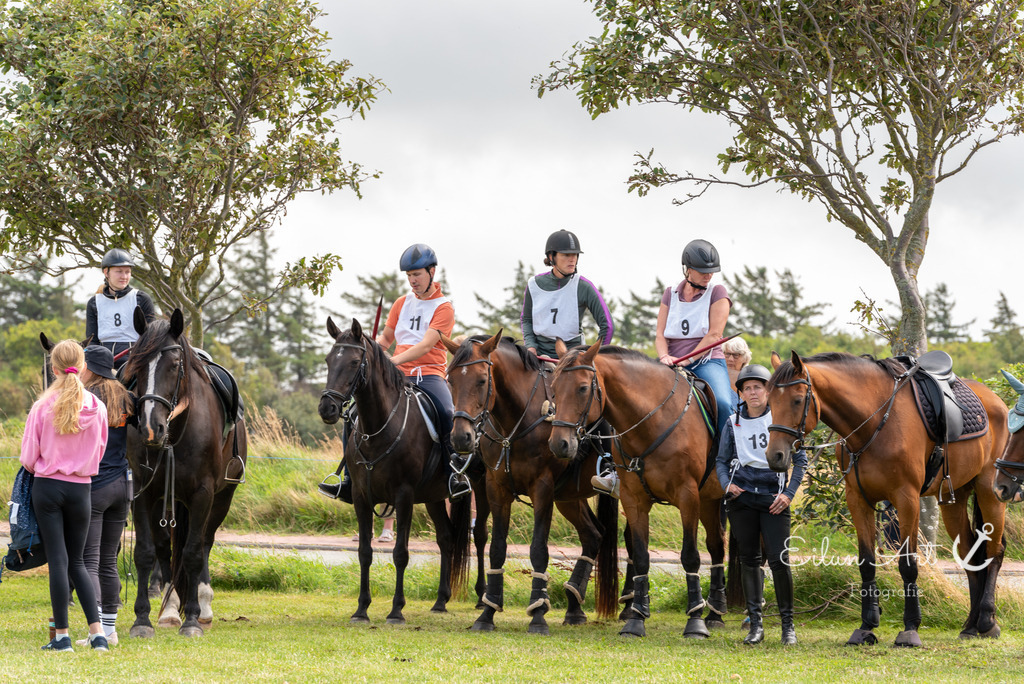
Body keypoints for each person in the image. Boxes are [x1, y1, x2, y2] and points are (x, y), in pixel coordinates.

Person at [320, 243, 469, 501]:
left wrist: (392, 361)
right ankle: (346, 479)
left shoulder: (444, 307)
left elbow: (425, 345)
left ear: (432, 272)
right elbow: (386, 338)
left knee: (446, 413)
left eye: (417, 274)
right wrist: (370, 353)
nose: (412, 281)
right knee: (354, 414)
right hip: (397, 378)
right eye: (409, 276)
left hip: (429, 375)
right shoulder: (401, 303)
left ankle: (453, 475)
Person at [20, 340, 110, 652]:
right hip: (82, 488)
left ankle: (62, 637)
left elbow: (29, 457)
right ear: (84, 367)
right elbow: (99, 453)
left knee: (58, 561)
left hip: (47, 487)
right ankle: (98, 634)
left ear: (54, 368)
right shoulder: (97, 407)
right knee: (79, 562)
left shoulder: (42, 406)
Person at [520, 230, 617, 497]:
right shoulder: (533, 284)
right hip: (537, 357)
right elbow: (526, 320)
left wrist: (589, 356)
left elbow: (606, 325)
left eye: (575, 255)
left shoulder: (583, 285)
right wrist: (529, 344)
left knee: (601, 407)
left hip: (572, 361)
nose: (572, 259)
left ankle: (609, 466)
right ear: (551, 257)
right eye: (566, 255)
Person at [715, 364, 807, 645]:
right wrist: (725, 484)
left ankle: (787, 627)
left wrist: (788, 494)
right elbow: (721, 460)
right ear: (740, 393)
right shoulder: (733, 422)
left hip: (774, 500)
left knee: (780, 561)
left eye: (758, 386)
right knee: (749, 560)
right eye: (747, 388)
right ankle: (755, 625)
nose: (753, 392)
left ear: (768, 390)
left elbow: (800, 461)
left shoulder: (781, 418)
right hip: (742, 499)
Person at [76, 345, 134, 647]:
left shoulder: (86, 398)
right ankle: (110, 631)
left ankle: (96, 630)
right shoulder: (126, 397)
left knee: (90, 560)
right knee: (109, 561)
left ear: (89, 368)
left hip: (95, 486)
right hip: (123, 487)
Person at [655, 239, 735, 437]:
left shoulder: (718, 292)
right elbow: (660, 334)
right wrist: (664, 356)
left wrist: (687, 360)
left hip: (707, 361)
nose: (709, 275)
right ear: (688, 269)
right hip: (671, 362)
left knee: (724, 403)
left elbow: (714, 335)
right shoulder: (670, 293)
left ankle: (728, 455)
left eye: (712, 271)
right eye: (702, 271)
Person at [85, 248, 157, 367]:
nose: (124, 276)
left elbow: (151, 336)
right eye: (119, 271)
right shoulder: (94, 302)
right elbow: (92, 340)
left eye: (127, 272)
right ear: (106, 272)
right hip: (104, 361)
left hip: (135, 359)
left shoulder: (142, 298)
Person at [723, 336, 753, 405]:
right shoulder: (716, 379)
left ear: (745, 358)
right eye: (727, 354)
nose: (730, 359)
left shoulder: (750, 379)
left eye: (735, 355)